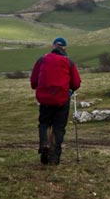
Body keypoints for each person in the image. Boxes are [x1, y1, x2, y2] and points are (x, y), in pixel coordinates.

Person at [30, 37, 81, 165]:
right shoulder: (69, 62)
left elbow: (33, 81)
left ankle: (44, 143)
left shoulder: (42, 60)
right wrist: (70, 90)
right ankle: (55, 157)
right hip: (62, 99)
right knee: (59, 128)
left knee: (44, 123)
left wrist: (40, 88)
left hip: (45, 99)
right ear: (64, 49)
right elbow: (76, 83)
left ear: (53, 47)